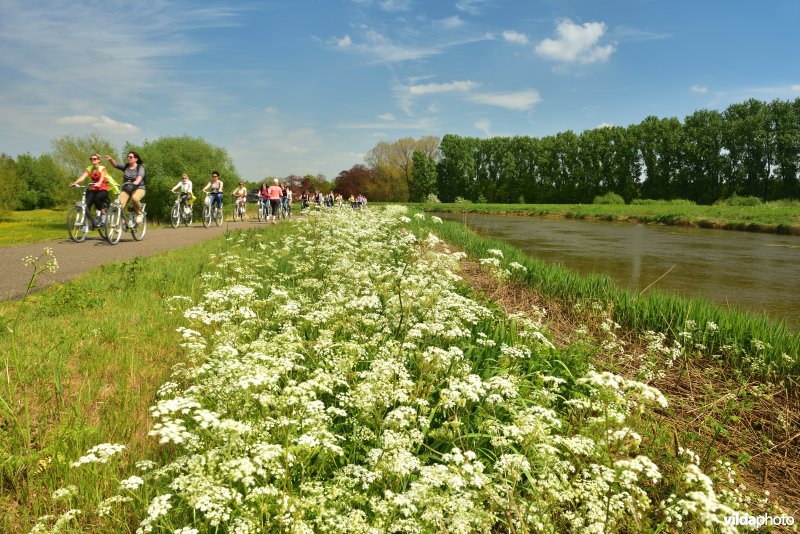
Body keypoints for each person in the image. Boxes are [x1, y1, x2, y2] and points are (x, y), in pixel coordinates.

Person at [70, 153, 116, 227]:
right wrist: (74, 183)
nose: (92, 160)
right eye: (91, 159)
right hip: (94, 188)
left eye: (94, 159)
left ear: (98, 160)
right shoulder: (89, 168)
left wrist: (99, 182)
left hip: (103, 188)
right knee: (86, 204)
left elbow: (102, 177)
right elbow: (83, 177)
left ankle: (103, 215)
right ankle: (90, 223)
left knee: (96, 198)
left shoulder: (102, 168)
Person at [106, 151, 146, 224]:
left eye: (130, 157)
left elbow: (140, 177)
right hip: (127, 189)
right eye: (128, 157)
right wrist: (110, 159)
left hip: (138, 188)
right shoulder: (126, 167)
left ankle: (139, 214)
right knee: (119, 204)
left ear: (136, 159)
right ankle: (122, 222)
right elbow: (115, 164)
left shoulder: (140, 168)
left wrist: (136, 182)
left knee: (135, 198)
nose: (128, 158)